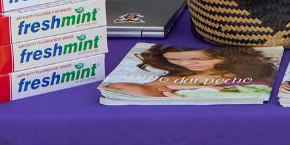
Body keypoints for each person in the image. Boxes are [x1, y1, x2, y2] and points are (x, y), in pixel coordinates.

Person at [101, 44, 280, 98]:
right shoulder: (174, 77)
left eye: (199, 60)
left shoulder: (252, 74)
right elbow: (145, 90)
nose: (188, 64)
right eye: (175, 60)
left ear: (227, 57)